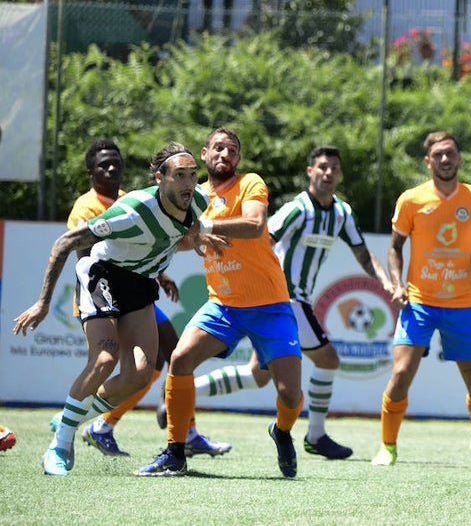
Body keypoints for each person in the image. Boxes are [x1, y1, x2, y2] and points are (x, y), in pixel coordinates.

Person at [13, 143, 208, 476]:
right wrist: (43, 302)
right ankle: (60, 444)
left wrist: (199, 236)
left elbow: (183, 230)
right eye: (179, 175)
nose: (188, 183)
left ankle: (69, 417)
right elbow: (65, 243)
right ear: (159, 178)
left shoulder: (198, 201)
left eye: (192, 175)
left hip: (141, 282)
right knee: (105, 358)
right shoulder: (131, 211)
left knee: (140, 375)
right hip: (102, 273)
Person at [186, 144, 391, 460]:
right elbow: (262, 238)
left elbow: (362, 253)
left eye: (334, 168)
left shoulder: (342, 213)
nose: (328, 173)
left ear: (340, 174)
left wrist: (388, 283)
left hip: (293, 301)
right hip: (286, 299)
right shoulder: (298, 209)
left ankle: (184, 392)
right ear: (310, 172)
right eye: (322, 167)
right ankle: (316, 434)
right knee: (328, 360)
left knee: (258, 375)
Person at [136, 128, 304, 478]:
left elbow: (255, 224)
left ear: (238, 158)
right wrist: (176, 246)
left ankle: (282, 431)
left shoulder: (250, 183)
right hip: (223, 305)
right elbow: (182, 238)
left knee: (290, 394)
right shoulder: (194, 195)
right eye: (218, 148)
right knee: (180, 359)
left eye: (232, 149)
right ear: (204, 154)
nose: (225, 154)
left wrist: (205, 227)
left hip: (271, 306)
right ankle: (175, 452)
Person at [61, 139, 229, 460]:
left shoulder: (134, 198)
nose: (112, 169)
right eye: (104, 165)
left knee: (159, 360)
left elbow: (151, 242)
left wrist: (162, 273)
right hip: (102, 290)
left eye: (117, 163)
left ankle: (103, 423)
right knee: (146, 355)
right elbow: (85, 254)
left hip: (137, 285)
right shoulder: (87, 206)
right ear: (90, 172)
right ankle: (96, 423)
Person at [372, 131, 471, 469]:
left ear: (459, 158)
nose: (445, 159)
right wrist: (397, 284)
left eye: (450, 153)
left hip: (462, 304)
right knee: (401, 374)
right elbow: (395, 247)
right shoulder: (411, 199)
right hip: (419, 303)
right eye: (438, 155)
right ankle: (388, 447)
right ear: (428, 161)